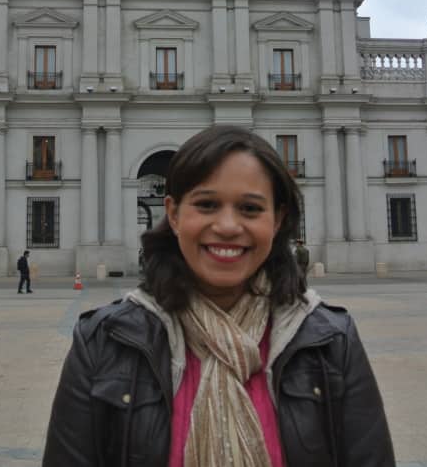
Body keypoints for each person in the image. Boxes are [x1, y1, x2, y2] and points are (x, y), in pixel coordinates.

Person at [44, 125, 394, 466]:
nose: (227, 226)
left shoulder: (331, 341)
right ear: (174, 214)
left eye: (251, 208)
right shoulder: (103, 343)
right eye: (207, 204)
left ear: (277, 219)